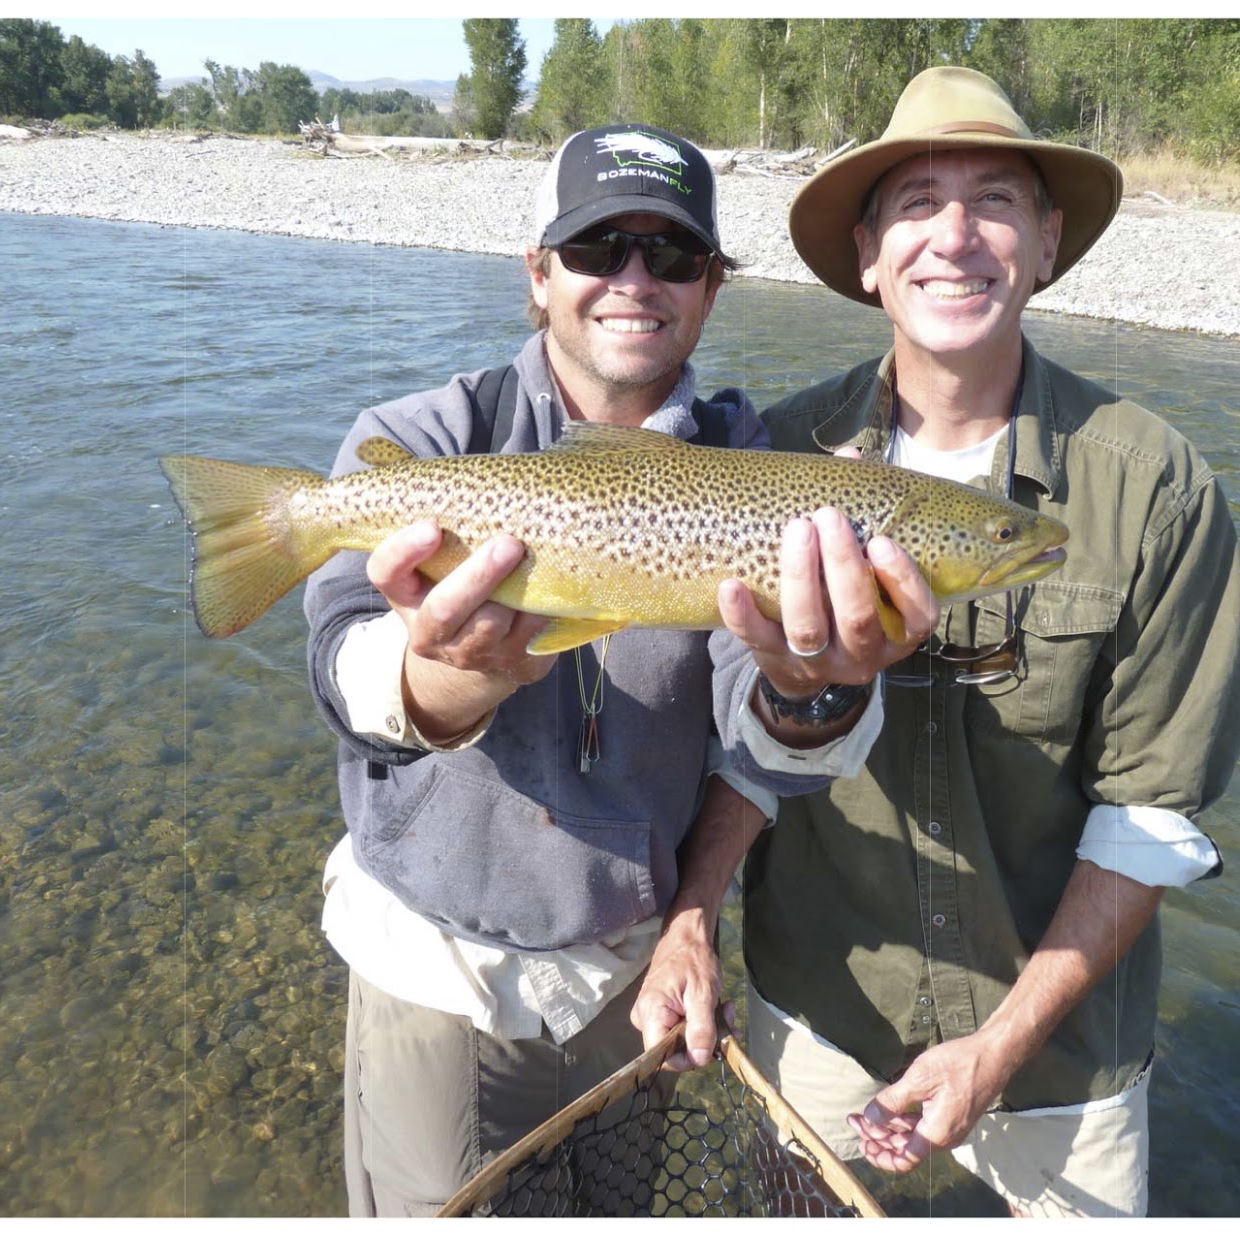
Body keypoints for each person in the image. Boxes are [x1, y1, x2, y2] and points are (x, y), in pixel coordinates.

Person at [637, 68, 1240, 1217]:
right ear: (867, 253)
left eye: (996, 202)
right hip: (816, 1009)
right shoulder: (775, 453)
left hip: (1061, 1065)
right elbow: (738, 750)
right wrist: (689, 921)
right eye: (915, 201)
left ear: (1047, 241)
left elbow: (1153, 820)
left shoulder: (1154, 485)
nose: (953, 236)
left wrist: (998, 1049)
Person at [300, 122, 936, 1217]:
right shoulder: (424, 437)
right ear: (538, 276)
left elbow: (763, 731)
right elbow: (341, 661)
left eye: (673, 255)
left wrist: (813, 686)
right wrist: (446, 680)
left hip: (635, 979)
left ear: (711, 289)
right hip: (441, 970)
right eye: (599, 248)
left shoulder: (760, 473)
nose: (635, 280)